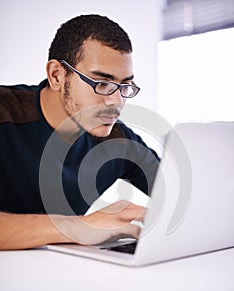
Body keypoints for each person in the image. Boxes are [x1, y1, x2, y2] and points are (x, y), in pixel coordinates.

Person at [0, 14, 159, 250]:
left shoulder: (118, 141)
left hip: (68, 277)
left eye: (124, 86)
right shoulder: (5, 113)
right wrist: (76, 227)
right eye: (101, 83)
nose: (115, 102)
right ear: (56, 75)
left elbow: (182, 193)